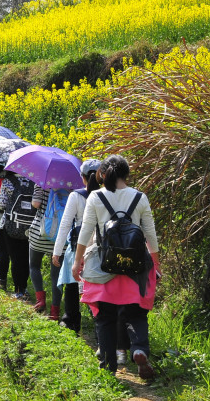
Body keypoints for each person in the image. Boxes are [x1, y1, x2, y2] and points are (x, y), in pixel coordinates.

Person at [72, 155, 160, 379]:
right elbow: (150, 235)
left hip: (105, 266)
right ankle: (139, 348)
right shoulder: (140, 197)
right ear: (126, 173)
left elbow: (85, 232)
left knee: (105, 317)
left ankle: (108, 366)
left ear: (104, 174)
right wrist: (156, 265)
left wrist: (77, 261)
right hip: (136, 267)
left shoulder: (95, 196)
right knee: (137, 314)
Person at [52, 159, 102, 333]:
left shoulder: (77, 195)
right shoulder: (108, 195)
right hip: (100, 247)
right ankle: (101, 326)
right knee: (96, 283)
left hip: (79, 245)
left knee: (72, 281)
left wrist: (57, 251)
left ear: (83, 177)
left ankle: (72, 320)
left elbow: (65, 223)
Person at [0, 169, 36, 300]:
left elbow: (1, 205)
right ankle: (24, 289)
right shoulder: (34, 182)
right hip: (30, 226)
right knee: (25, 258)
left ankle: (18, 291)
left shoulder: (8, 181)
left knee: (15, 258)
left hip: (11, 225)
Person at [27, 185, 61, 314]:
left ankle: (40, 300)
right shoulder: (70, 185)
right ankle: (55, 311)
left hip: (41, 231)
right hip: (60, 235)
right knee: (56, 275)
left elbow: (36, 204)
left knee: (34, 266)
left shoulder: (42, 182)